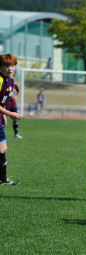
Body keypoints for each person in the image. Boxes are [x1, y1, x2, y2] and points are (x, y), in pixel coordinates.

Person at [0, 53, 22, 185]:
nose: (10, 69)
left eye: (13, 65)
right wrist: (10, 113)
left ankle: (3, 179)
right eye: (6, 66)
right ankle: (3, 179)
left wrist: (3, 115)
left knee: (2, 148)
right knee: (2, 148)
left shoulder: (10, 80)